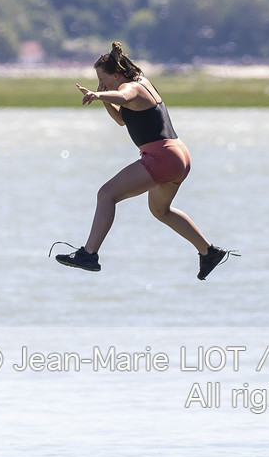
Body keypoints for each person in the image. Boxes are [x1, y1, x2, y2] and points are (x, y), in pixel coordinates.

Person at [55, 42, 231, 280]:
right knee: (160, 210)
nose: (101, 82)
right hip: (178, 155)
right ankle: (208, 251)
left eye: (102, 78)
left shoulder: (132, 88)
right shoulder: (142, 83)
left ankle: (89, 253)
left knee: (106, 194)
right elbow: (121, 119)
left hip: (163, 157)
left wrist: (99, 94)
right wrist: (104, 97)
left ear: (116, 75)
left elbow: (123, 95)